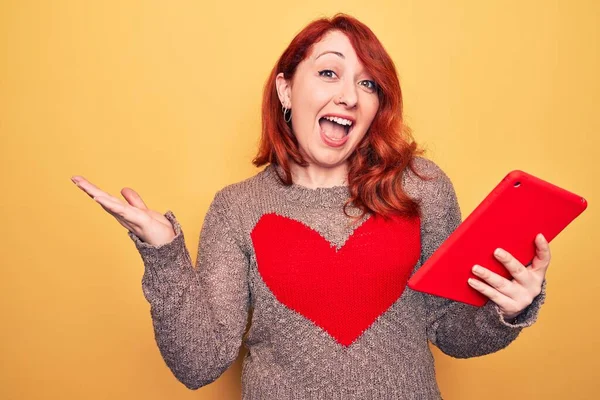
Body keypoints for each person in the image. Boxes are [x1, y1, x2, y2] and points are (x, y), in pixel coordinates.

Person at [71, 13, 550, 399]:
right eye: (328, 72)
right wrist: (164, 254)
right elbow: (199, 365)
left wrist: (506, 310)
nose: (348, 95)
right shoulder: (238, 208)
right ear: (286, 90)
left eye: (368, 84)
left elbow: (453, 334)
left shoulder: (420, 187)